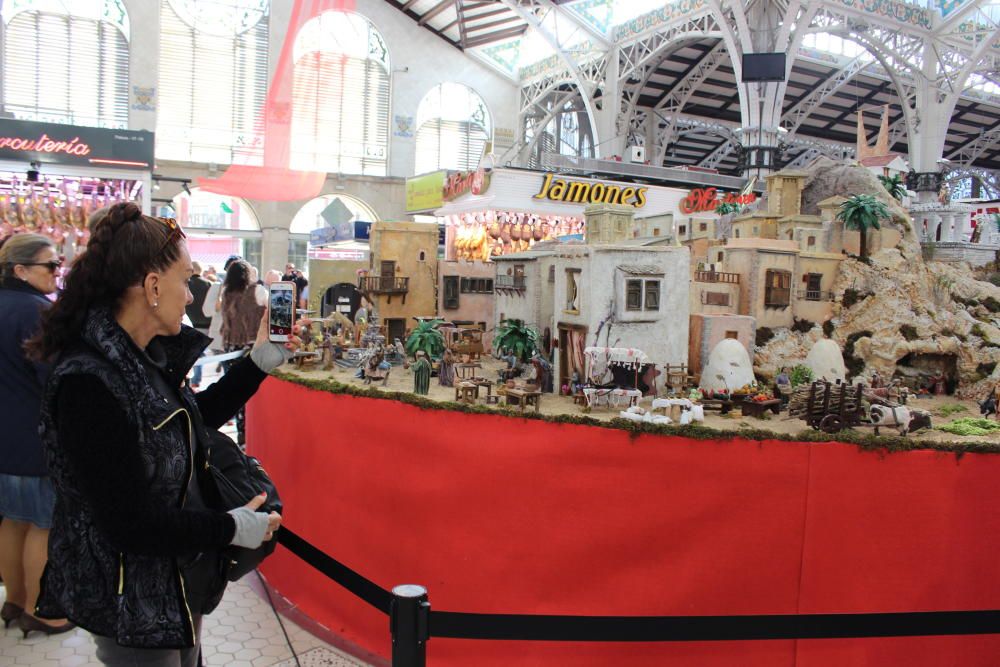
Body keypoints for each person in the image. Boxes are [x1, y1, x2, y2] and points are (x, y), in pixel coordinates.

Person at [26, 202, 296, 665]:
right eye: (185, 278)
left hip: (173, 582)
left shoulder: (141, 357)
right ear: (152, 286)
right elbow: (128, 523)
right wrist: (230, 527)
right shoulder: (88, 382)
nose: (191, 295)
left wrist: (257, 363)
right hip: (130, 602)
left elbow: (189, 417)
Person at [0, 234, 73, 636]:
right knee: (43, 524)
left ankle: (13, 600)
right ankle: (40, 610)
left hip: (5, 437)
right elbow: (54, 378)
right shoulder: (38, 312)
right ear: (21, 270)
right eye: (50, 265)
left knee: (13, 520)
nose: (56, 271)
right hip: (36, 436)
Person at [220, 260, 266, 444]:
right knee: (251, 393)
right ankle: (251, 437)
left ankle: (241, 437)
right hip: (250, 348)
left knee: (234, 392)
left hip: (230, 346)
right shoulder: (257, 291)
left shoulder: (226, 293)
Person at [186, 262, 212, 388]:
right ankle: (196, 378)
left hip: (190, 322)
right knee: (200, 351)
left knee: (192, 352)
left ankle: (194, 378)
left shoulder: (187, 284)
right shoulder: (208, 284)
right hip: (206, 323)